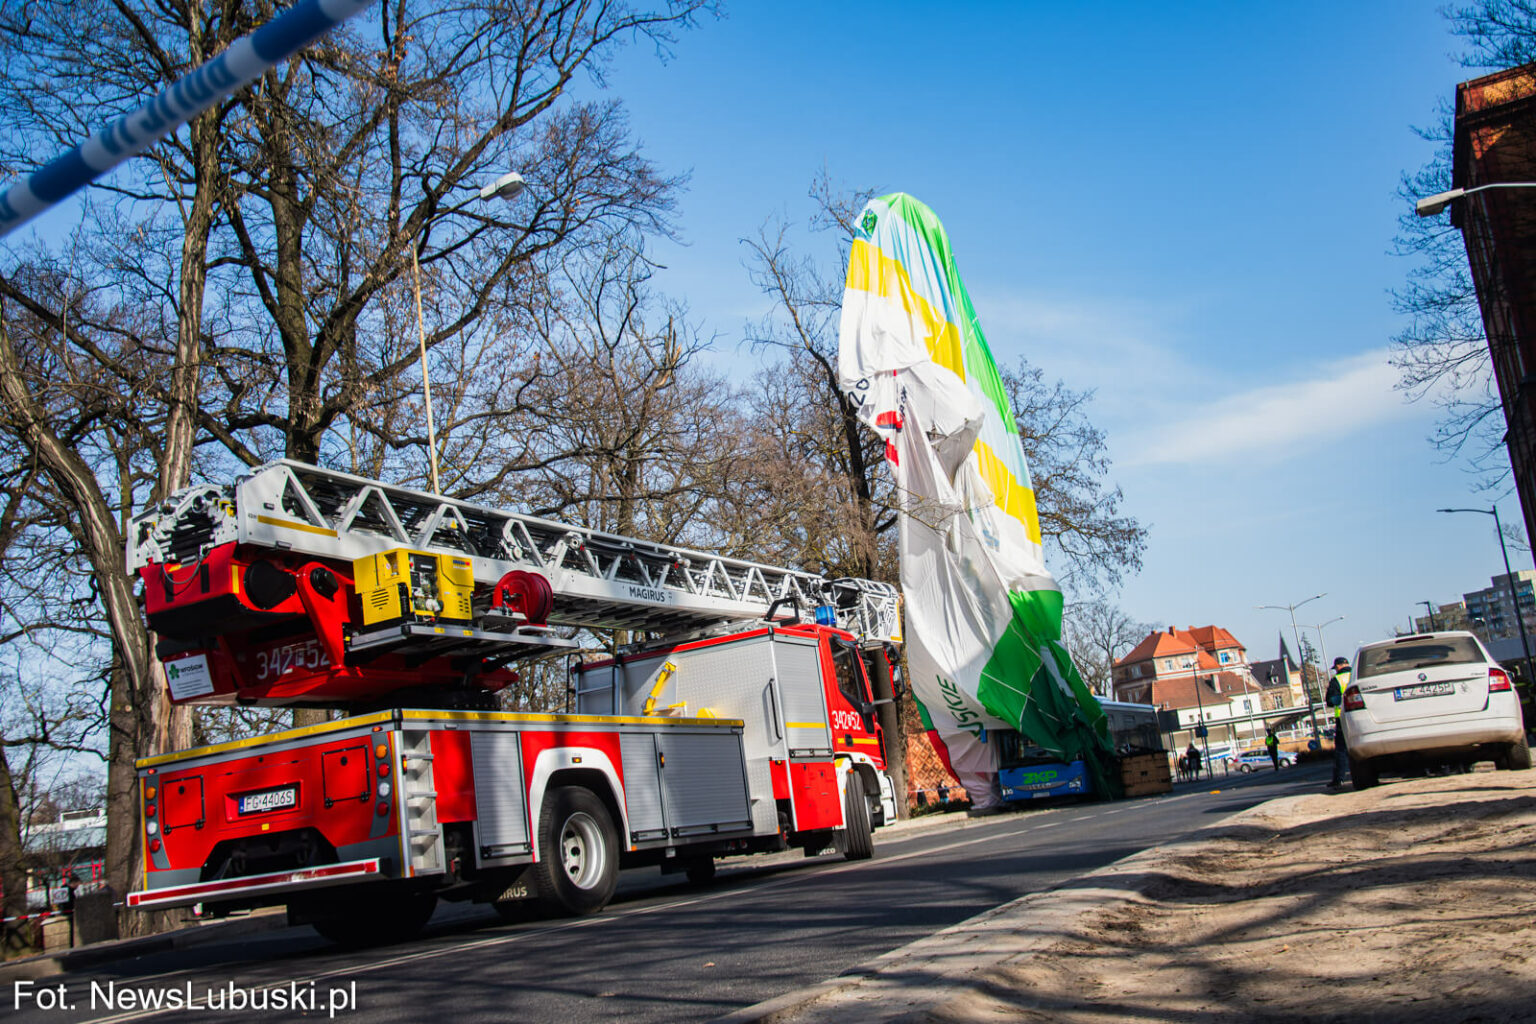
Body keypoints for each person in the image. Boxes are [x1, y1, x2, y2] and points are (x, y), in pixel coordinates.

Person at [1325, 656, 1351, 788]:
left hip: (1342, 717)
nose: (1335, 670)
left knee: (1341, 750)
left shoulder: (1337, 680)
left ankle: (1339, 779)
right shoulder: (1356, 675)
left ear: (1339, 666)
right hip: (1359, 714)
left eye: (1336, 668)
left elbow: (1330, 700)